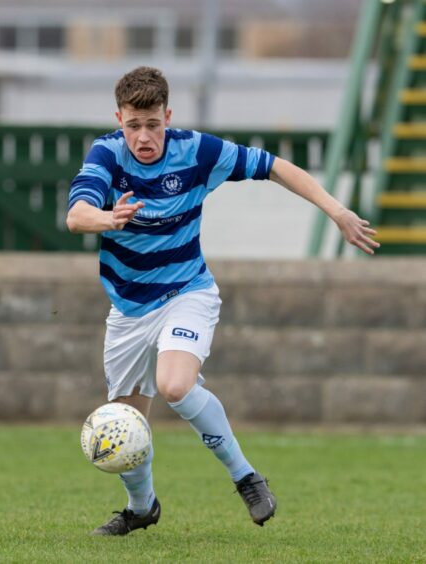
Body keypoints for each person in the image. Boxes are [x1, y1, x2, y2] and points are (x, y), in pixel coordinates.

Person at [66, 66, 378, 536]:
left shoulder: (198, 151)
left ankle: (247, 477)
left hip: (187, 293)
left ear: (168, 117)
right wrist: (108, 219)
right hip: (129, 309)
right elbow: (76, 215)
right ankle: (141, 507)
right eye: (133, 126)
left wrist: (337, 211)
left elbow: (275, 166)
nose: (144, 136)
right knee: (125, 421)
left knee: (174, 386)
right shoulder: (107, 154)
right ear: (119, 120)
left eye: (153, 124)